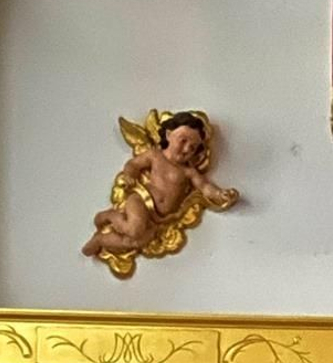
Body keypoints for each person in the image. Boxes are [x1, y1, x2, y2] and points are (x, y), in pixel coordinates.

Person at [82, 111, 237, 263]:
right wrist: (130, 174)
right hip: (141, 200)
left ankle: (101, 240)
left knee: (136, 242)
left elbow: (204, 187)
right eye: (183, 141)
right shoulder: (155, 156)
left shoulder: (188, 172)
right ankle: (110, 216)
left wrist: (220, 194)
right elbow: (133, 164)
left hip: (157, 219)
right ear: (169, 135)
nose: (186, 149)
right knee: (135, 229)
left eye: (193, 147)